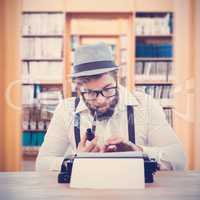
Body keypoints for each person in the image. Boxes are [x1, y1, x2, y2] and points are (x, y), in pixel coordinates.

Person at [36, 42, 186, 171]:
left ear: (117, 79)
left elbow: (179, 159)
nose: (101, 100)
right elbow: (41, 163)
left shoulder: (145, 105)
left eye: (107, 89)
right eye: (90, 92)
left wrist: (139, 152)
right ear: (79, 88)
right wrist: (74, 161)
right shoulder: (65, 110)